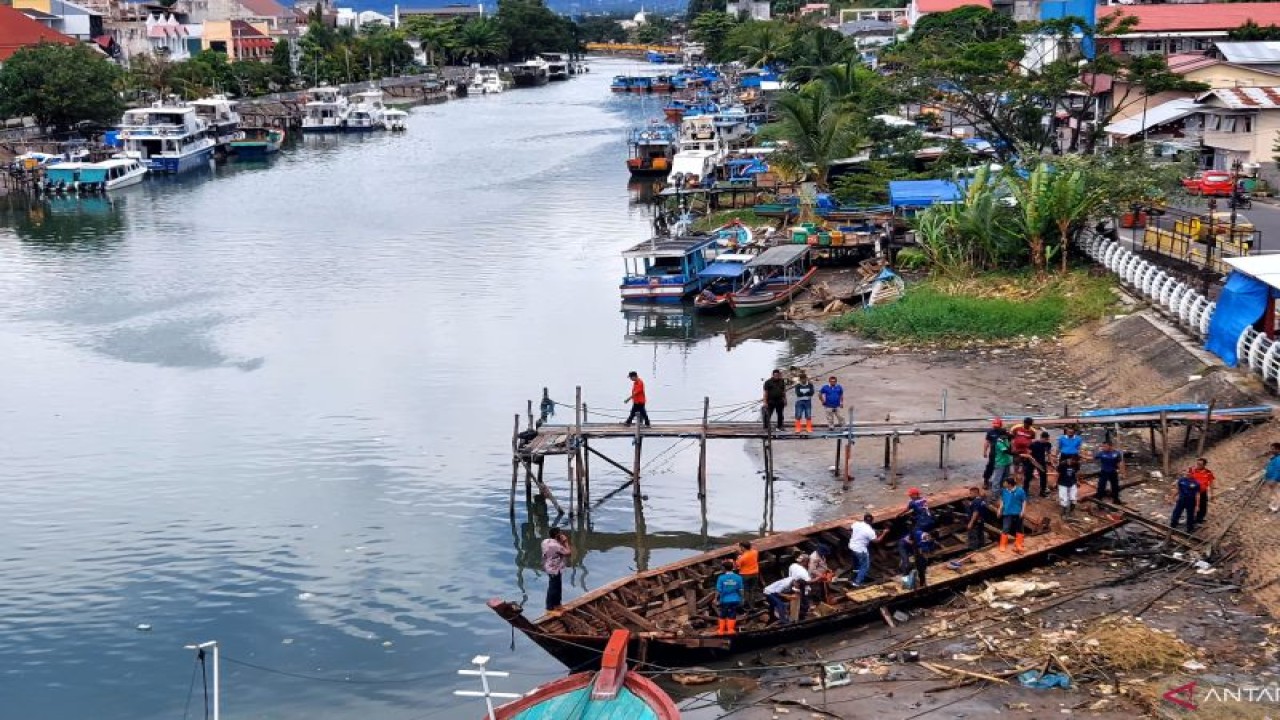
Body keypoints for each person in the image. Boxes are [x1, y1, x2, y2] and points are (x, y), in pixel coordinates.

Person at [847, 513, 886, 586]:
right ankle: (857, 582)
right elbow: (876, 541)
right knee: (864, 566)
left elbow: (850, 529)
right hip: (860, 550)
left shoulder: (856, 524)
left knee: (856, 564)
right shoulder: (870, 531)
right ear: (871, 521)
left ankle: (855, 576)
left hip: (852, 547)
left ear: (864, 519)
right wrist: (884, 533)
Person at [541, 528, 572, 611]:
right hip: (554, 569)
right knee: (553, 588)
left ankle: (557, 604)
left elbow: (556, 550)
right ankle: (550, 608)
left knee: (557, 587)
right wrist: (566, 542)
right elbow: (568, 553)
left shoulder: (545, 541)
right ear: (558, 535)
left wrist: (560, 542)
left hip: (548, 567)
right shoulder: (556, 546)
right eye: (560, 534)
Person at [715, 560, 745, 635]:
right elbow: (741, 589)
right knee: (732, 614)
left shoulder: (721, 578)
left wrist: (715, 598)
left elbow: (719, 590)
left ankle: (721, 631)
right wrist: (742, 598)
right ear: (732, 567)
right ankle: (730, 630)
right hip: (735, 599)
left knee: (723, 614)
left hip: (724, 600)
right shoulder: (738, 577)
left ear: (724, 568)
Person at [998, 477, 1027, 553]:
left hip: (1018, 513)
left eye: (1005, 483)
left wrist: (1023, 511)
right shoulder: (1004, 491)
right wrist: (1000, 509)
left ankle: (1019, 543)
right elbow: (1002, 500)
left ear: (1009, 484)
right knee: (1005, 528)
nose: (1004, 484)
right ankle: (1002, 545)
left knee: (1019, 528)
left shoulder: (1020, 491)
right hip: (1007, 513)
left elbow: (1024, 501)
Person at [1187, 457, 1215, 525]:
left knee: (1202, 506)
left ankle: (1200, 519)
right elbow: (1187, 478)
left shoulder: (1208, 473)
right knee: (1191, 505)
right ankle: (1190, 518)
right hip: (1192, 491)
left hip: (1202, 492)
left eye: (1200, 464)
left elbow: (1211, 483)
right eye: (1197, 463)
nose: (1197, 465)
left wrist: (1212, 493)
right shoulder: (1192, 470)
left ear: (1204, 465)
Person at [735, 541, 760, 607]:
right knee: (752, 590)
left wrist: (738, 557)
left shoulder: (742, 557)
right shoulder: (755, 552)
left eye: (740, 547)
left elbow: (737, 565)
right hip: (755, 573)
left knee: (746, 590)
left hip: (745, 575)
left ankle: (746, 605)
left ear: (743, 547)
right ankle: (752, 605)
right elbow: (750, 552)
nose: (740, 548)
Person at [990, 429, 1014, 498]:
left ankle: (1002, 491)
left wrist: (1010, 437)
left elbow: (1011, 438)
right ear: (1001, 435)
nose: (1006, 436)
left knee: (1005, 478)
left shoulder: (1005, 439)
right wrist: (1017, 454)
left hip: (1007, 462)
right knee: (997, 479)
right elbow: (1006, 451)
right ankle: (994, 494)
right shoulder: (999, 442)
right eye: (1005, 435)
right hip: (1000, 463)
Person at [982, 418, 1004, 489]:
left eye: (997, 424)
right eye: (994, 424)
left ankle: (1000, 482)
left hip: (1002, 453)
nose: (995, 426)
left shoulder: (1004, 432)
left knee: (1001, 468)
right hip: (993, 453)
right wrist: (985, 451)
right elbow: (987, 442)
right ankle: (986, 481)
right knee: (990, 467)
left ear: (1000, 425)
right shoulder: (990, 432)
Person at [1029, 431, 1052, 497]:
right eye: (1045, 439)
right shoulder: (1033, 444)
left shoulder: (1048, 444)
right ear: (1041, 438)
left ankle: (1042, 492)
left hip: (1041, 461)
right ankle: (1026, 491)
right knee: (1028, 476)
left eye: (1047, 439)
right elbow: (1029, 453)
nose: (1046, 441)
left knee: (1043, 476)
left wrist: (1050, 461)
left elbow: (1048, 453)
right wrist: (1032, 461)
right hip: (1032, 461)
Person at [1268, 443, 1280, 513]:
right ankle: (1273, 506)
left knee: (1276, 493)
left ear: (1278, 449)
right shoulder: (1275, 457)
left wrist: (1274, 479)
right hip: (1273, 479)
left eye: (1273, 449)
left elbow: (1278, 470)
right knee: (1274, 493)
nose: (1271, 450)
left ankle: (1275, 507)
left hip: (1276, 479)